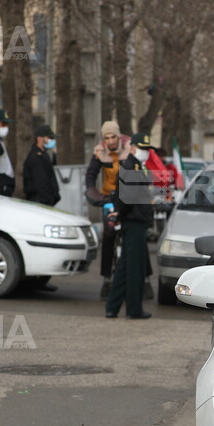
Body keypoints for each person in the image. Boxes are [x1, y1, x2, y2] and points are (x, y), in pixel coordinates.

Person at [105, 133, 156, 319]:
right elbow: (127, 198)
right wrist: (122, 214)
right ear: (133, 147)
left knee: (125, 266)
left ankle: (112, 307)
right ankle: (133, 309)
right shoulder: (131, 166)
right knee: (135, 268)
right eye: (143, 148)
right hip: (133, 221)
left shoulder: (136, 167)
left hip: (134, 220)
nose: (146, 152)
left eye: (147, 149)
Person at [86, 121, 132, 297]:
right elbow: (91, 175)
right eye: (107, 138)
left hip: (126, 198)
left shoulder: (129, 149)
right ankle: (106, 278)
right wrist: (92, 191)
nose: (110, 141)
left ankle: (144, 278)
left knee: (134, 234)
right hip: (109, 197)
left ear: (118, 136)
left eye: (113, 136)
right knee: (108, 235)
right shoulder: (100, 151)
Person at [22, 125, 61, 207]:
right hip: (40, 202)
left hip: (42, 201)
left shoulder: (42, 155)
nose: (52, 140)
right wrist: (48, 201)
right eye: (49, 138)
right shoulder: (37, 157)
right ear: (39, 139)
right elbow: (41, 183)